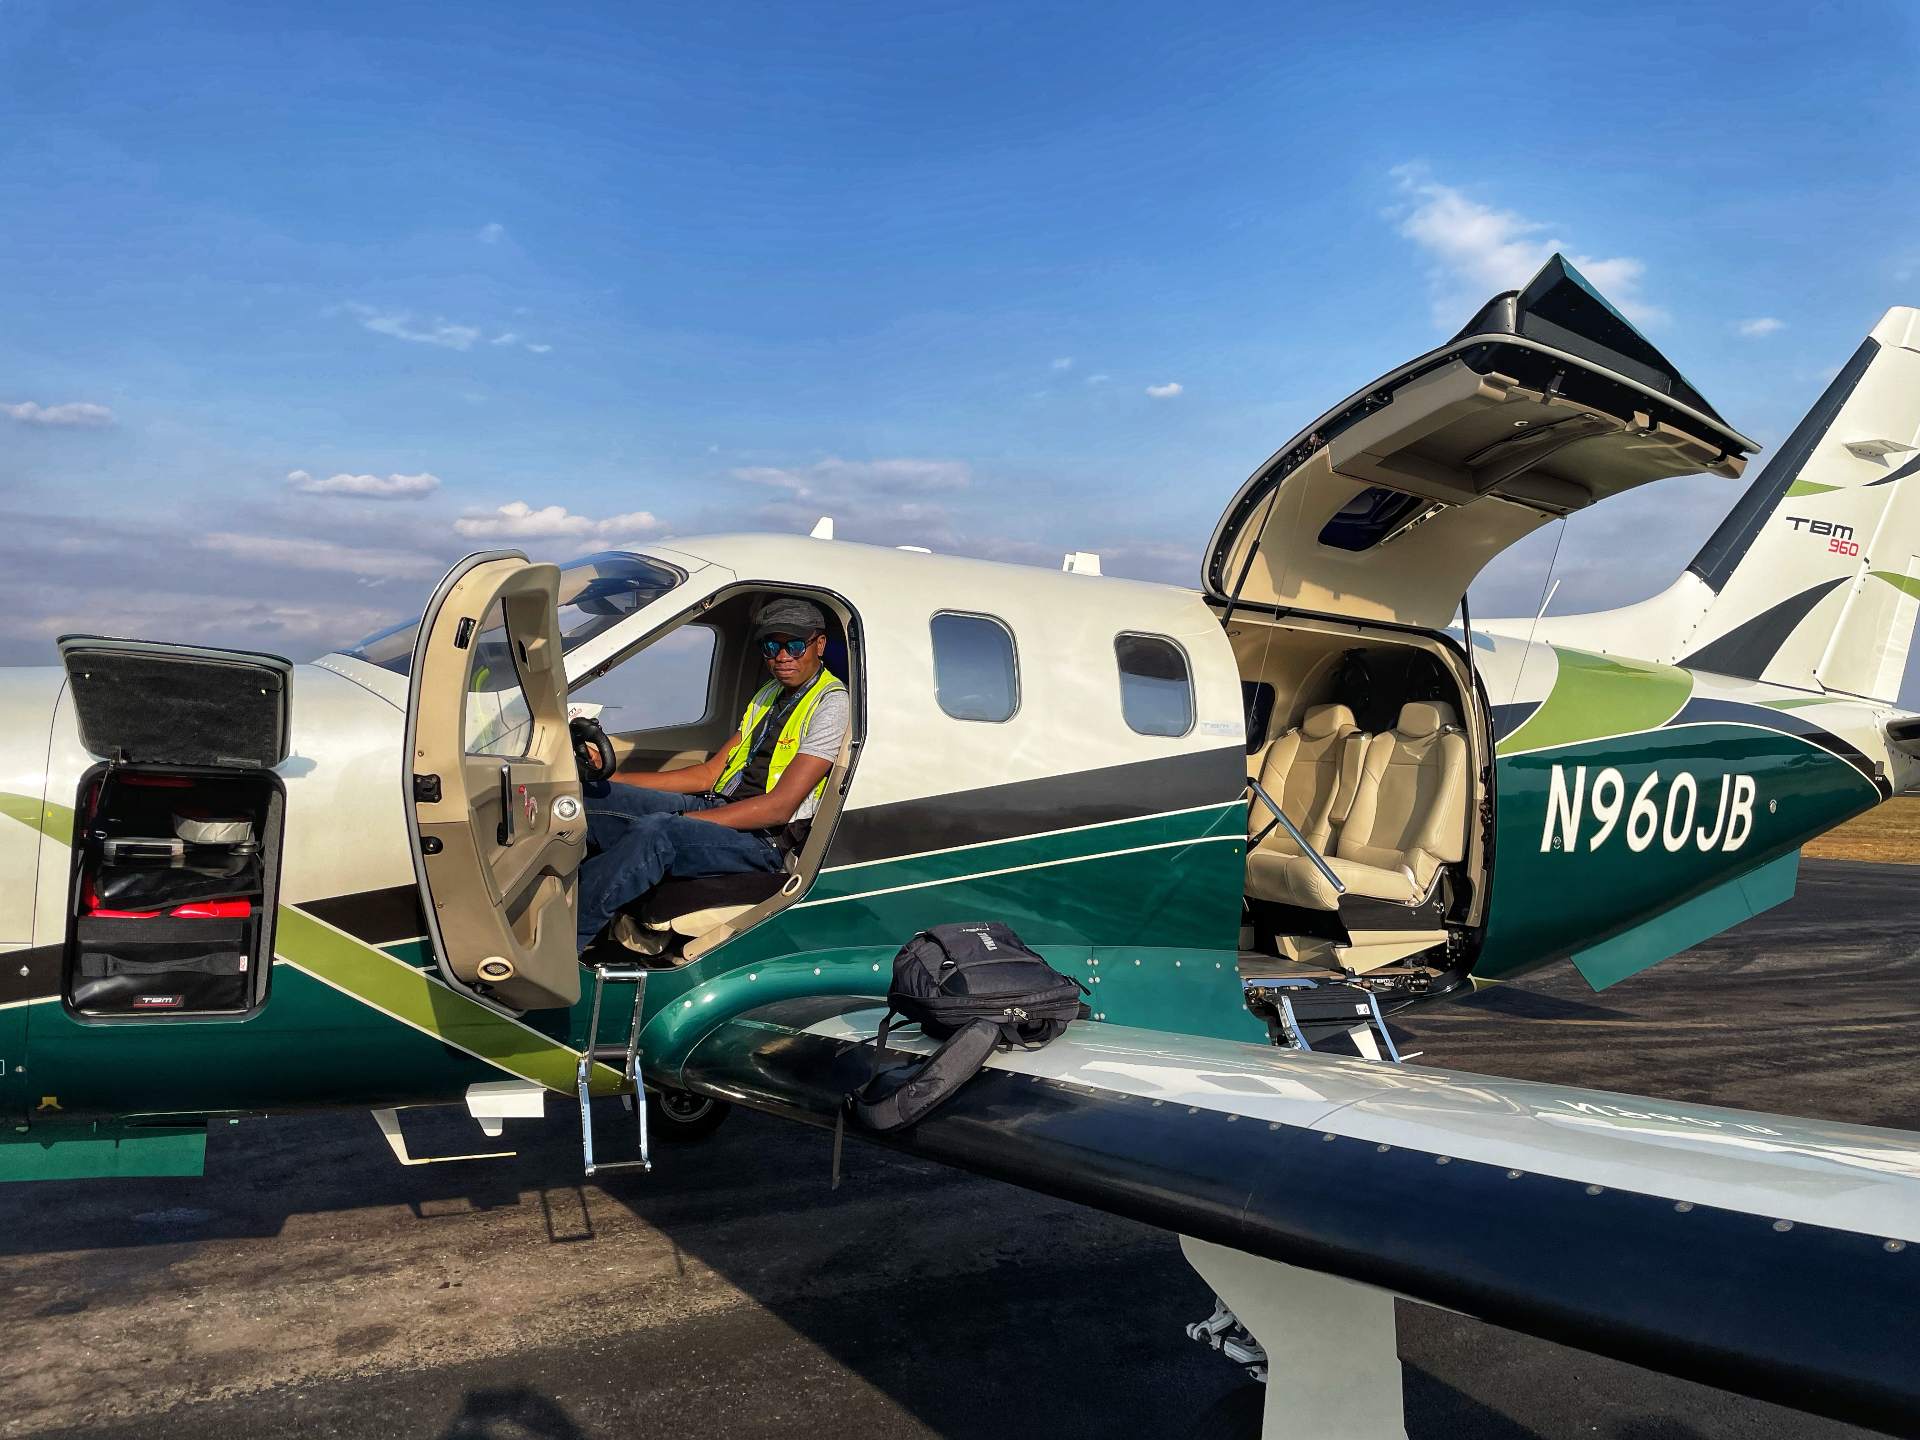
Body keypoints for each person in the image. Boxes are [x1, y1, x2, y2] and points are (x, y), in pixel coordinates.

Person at [574, 597, 850, 952]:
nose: (782, 657)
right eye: (771, 647)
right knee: (586, 799)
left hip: (763, 839)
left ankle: (565, 942)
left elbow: (779, 808)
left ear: (819, 644)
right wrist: (611, 779)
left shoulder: (831, 703)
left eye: (795, 646)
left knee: (657, 832)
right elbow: (708, 774)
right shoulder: (769, 695)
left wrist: (679, 820)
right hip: (717, 805)